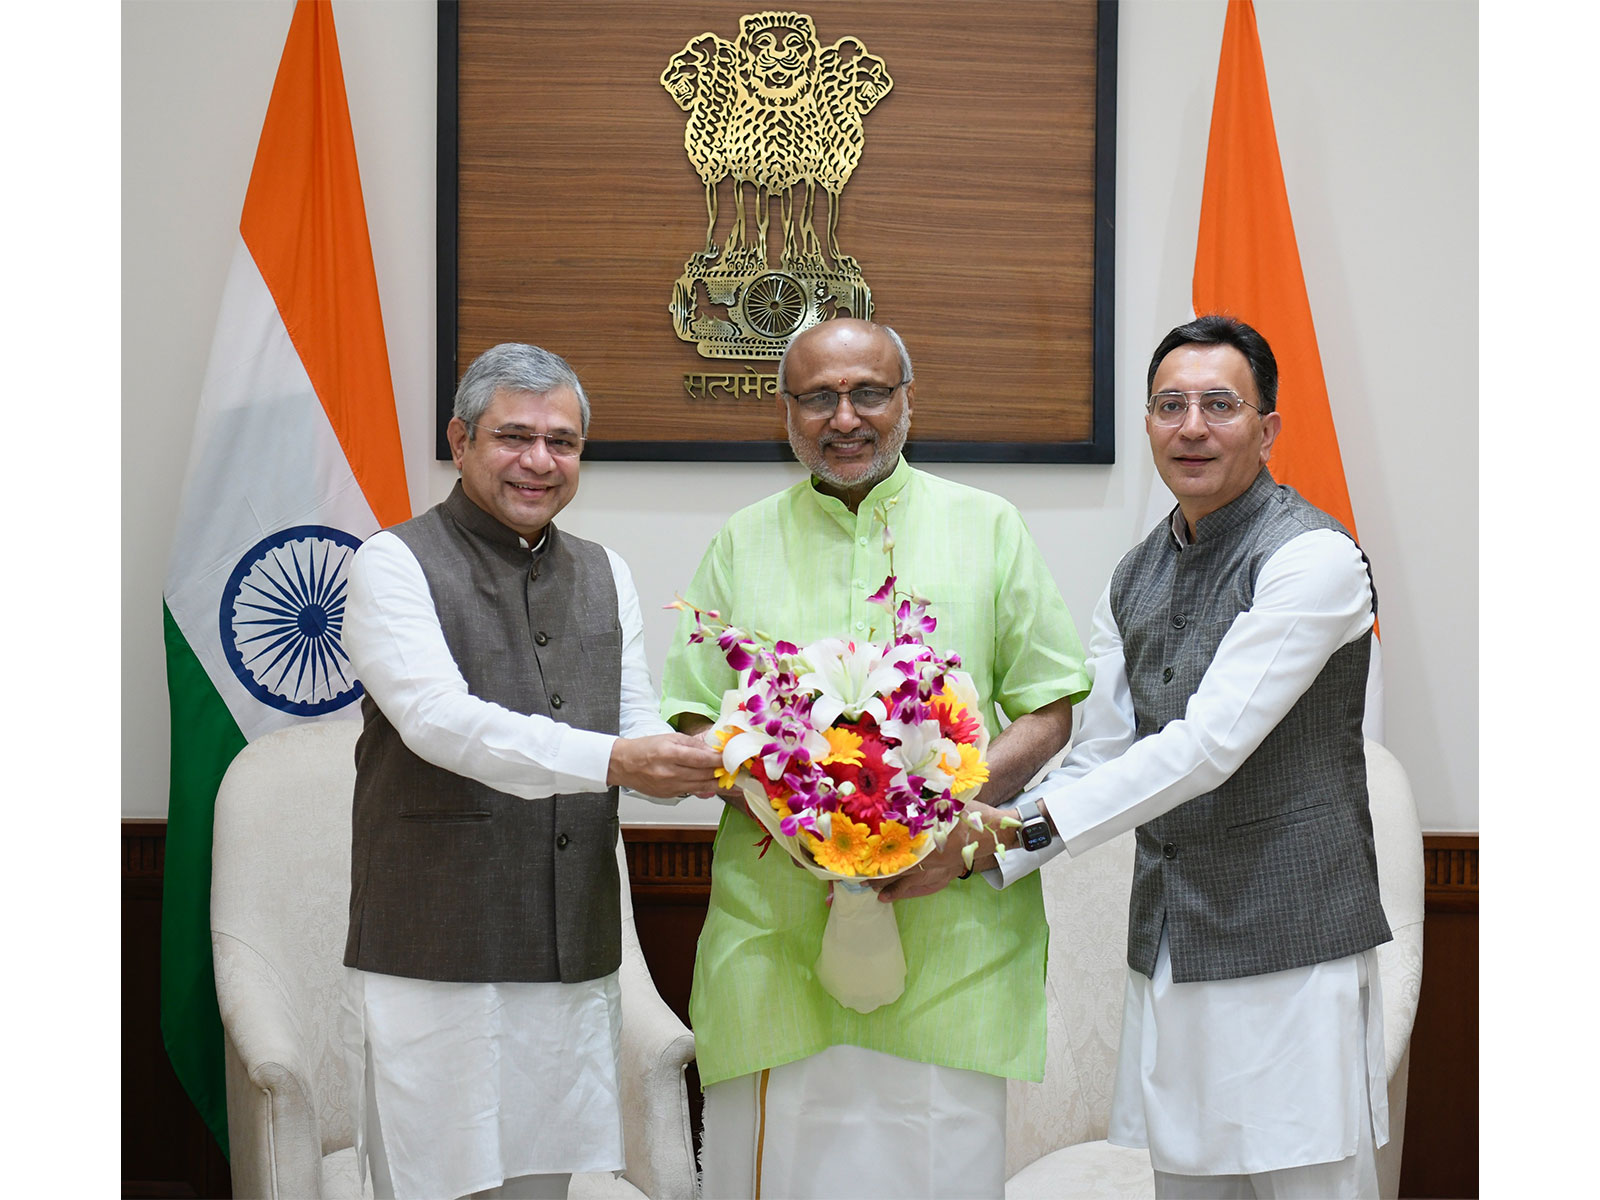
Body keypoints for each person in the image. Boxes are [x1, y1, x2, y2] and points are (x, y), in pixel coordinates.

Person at [660, 317, 1092, 1199]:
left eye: (868, 393)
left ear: (907, 400)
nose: (845, 417)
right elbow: (698, 720)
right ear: (785, 412)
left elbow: (1049, 706)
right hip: (775, 929)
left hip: (954, 931)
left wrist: (936, 818)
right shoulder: (741, 540)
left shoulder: (990, 526)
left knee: (935, 1165)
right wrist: (803, 829)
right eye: (818, 397)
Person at [976, 314, 1392, 1198]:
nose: (1192, 426)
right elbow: (1103, 753)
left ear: (1268, 428)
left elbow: (1207, 746)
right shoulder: (1135, 571)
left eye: (1219, 404)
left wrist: (1018, 830)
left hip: (1292, 953)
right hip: (1174, 947)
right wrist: (994, 839)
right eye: (1170, 405)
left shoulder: (1313, 558)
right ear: (1149, 426)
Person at [340, 342, 722, 1200]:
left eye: (564, 442)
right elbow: (441, 724)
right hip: (436, 944)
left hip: (568, 946)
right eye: (515, 437)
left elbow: (635, 721)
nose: (539, 461)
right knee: (435, 1181)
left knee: (544, 1187)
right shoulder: (391, 563)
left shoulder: (604, 571)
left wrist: (722, 759)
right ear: (461, 440)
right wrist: (622, 760)